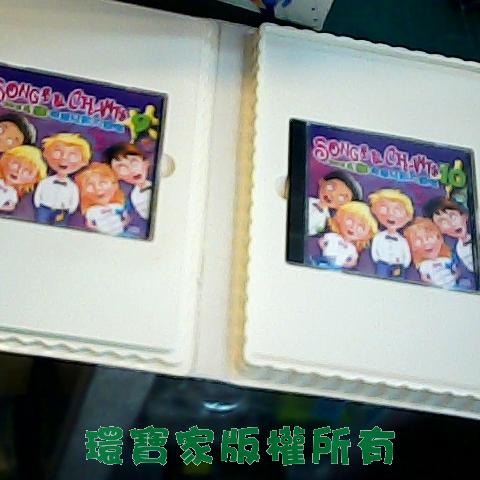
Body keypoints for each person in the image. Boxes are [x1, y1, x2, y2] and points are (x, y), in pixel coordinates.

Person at [34, 133, 92, 225]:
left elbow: (74, 199)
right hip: (44, 208)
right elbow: (39, 192)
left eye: (72, 156)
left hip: (62, 211)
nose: (64, 159)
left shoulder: (72, 186)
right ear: (46, 154)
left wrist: (70, 209)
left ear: (83, 162)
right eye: (57, 153)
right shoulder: (46, 182)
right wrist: (38, 204)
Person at [317, 201, 378, 268]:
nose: (353, 227)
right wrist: (324, 247)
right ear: (339, 218)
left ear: (368, 235)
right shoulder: (332, 236)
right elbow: (321, 241)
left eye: (360, 228)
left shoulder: (352, 249)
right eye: (349, 221)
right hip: (323, 261)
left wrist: (346, 263)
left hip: (336, 267)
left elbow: (353, 262)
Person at [369, 189, 414, 278]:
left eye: (397, 211)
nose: (390, 214)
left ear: (408, 217)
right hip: (382, 264)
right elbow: (374, 249)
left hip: (397, 265)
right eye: (384, 209)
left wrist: (404, 264)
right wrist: (378, 260)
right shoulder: (379, 236)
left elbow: (406, 253)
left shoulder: (402, 240)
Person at [75, 163, 129, 236]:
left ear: (114, 185)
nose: (97, 188)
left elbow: (125, 218)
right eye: (90, 185)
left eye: (103, 183)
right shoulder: (91, 211)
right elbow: (90, 225)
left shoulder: (118, 206)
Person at [423, 197, 474, 273]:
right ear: (439, 230)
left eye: (453, 216)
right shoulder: (459, 249)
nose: (451, 223)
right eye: (443, 222)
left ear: (464, 215)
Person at [404, 218, 457, 289]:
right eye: (418, 240)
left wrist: (454, 277)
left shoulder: (447, 259)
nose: (425, 242)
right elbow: (425, 278)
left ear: (440, 239)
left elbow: (455, 270)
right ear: (412, 248)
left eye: (429, 237)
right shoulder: (424, 265)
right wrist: (433, 284)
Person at [105, 143, 152, 220]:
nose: (132, 170)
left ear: (146, 163)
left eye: (134, 163)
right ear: (117, 176)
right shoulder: (136, 197)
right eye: (122, 168)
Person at [308, 171, 363, 236]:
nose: (333, 195)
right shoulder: (307, 200)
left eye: (341, 197)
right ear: (322, 181)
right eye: (331, 187)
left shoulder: (328, 222)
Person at [0, 145, 46, 212]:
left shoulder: (12, 193)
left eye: (27, 171)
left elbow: (11, 206)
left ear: (35, 179)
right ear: (5, 160)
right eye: (15, 164)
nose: (18, 171)